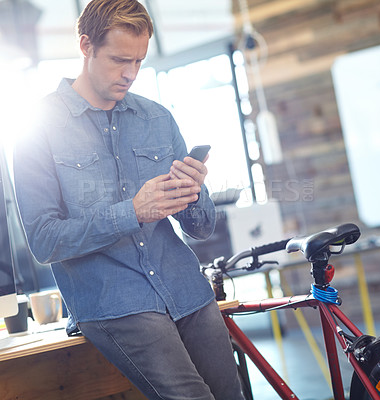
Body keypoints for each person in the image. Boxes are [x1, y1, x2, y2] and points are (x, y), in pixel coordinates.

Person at [13, 1, 244, 399]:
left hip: (186, 288)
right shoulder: (37, 128)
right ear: (86, 45)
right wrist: (132, 212)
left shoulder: (157, 118)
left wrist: (194, 193)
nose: (130, 74)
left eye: (138, 61)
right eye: (120, 60)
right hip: (114, 300)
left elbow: (202, 227)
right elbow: (45, 240)